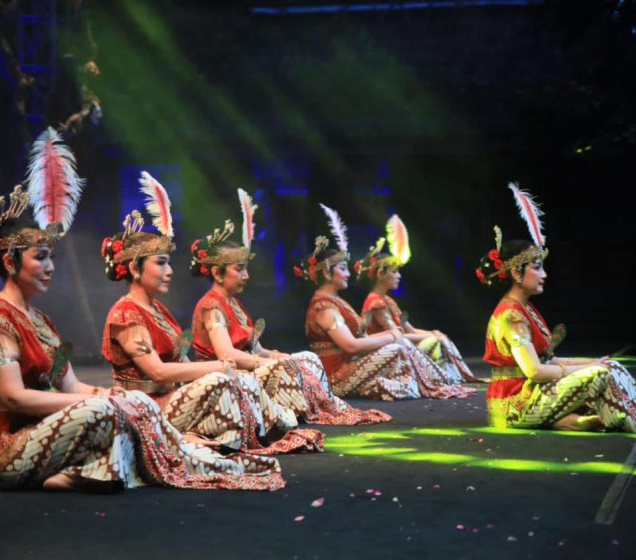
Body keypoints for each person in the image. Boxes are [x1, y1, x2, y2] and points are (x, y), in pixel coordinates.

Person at [0, 129, 285, 492]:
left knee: (126, 404)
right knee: (114, 408)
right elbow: (13, 398)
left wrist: (107, 396)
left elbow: (71, 384)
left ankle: (120, 464)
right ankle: (107, 465)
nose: (50, 267)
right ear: (9, 260)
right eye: (41, 257)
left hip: (40, 426)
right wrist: (95, 401)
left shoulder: (41, 321)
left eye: (50, 257)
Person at [101, 172, 321, 454]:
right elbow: (155, 371)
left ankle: (260, 428)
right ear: (134, 268)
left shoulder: (157, 310)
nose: (169, 272)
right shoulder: (126, 315)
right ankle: (263, 427)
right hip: (146, 407)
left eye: (169, 264)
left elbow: (181, 359)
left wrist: (263, 357)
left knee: (270, 368)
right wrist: (216, 368)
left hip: (172, 396)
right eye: (161, 263)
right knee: (224, 379)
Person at [479, 183, 636, 433]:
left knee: (610, 367)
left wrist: (592, 361)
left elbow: (549, 359)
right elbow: (534, 371)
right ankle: (615, 418)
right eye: (537, 267)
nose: (544, 274)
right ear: (516, 272)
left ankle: (603, 417)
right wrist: (588, 369)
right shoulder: (511, 316)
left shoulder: (526, 309)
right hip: (515, 403)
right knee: (598, 376)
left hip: (533, 393)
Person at [190, 189, 391, 425]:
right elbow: (227, 354)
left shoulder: (234, 304)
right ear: (217, 273)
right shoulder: (212, 307)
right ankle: (307, 412)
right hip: (227, 377)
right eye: (239, 269)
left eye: (246, 268)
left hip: (249, 370)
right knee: (284, 367)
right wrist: (268, 363)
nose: (246, 275)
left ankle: (319, 408)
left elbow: (256, 348)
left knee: (306, 358)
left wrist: (277, 355)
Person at [302, 204, 474, 401]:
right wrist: (390, 337)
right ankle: (435, 383)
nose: (348, 273)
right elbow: (350, 346)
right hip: (337, 377)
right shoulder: (324, 308)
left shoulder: (336, 301)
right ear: (326, 272)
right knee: (398, 347)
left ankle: (440, 382)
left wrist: (391, 335)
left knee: (406, 345)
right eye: (343, 268)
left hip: (351, 366)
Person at [357, 214, 480, 384]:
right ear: (380, 274)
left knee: (438, 337)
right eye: (394, 272)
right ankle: (439, 378)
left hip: (400, 344)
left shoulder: (388, 300)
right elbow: (398, 337)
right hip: (387, 351)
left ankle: (449, 377)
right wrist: (430, 338)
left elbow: (410, 331)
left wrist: (434, 333)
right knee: (432, 342)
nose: (399, 276)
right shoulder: (375, 302)